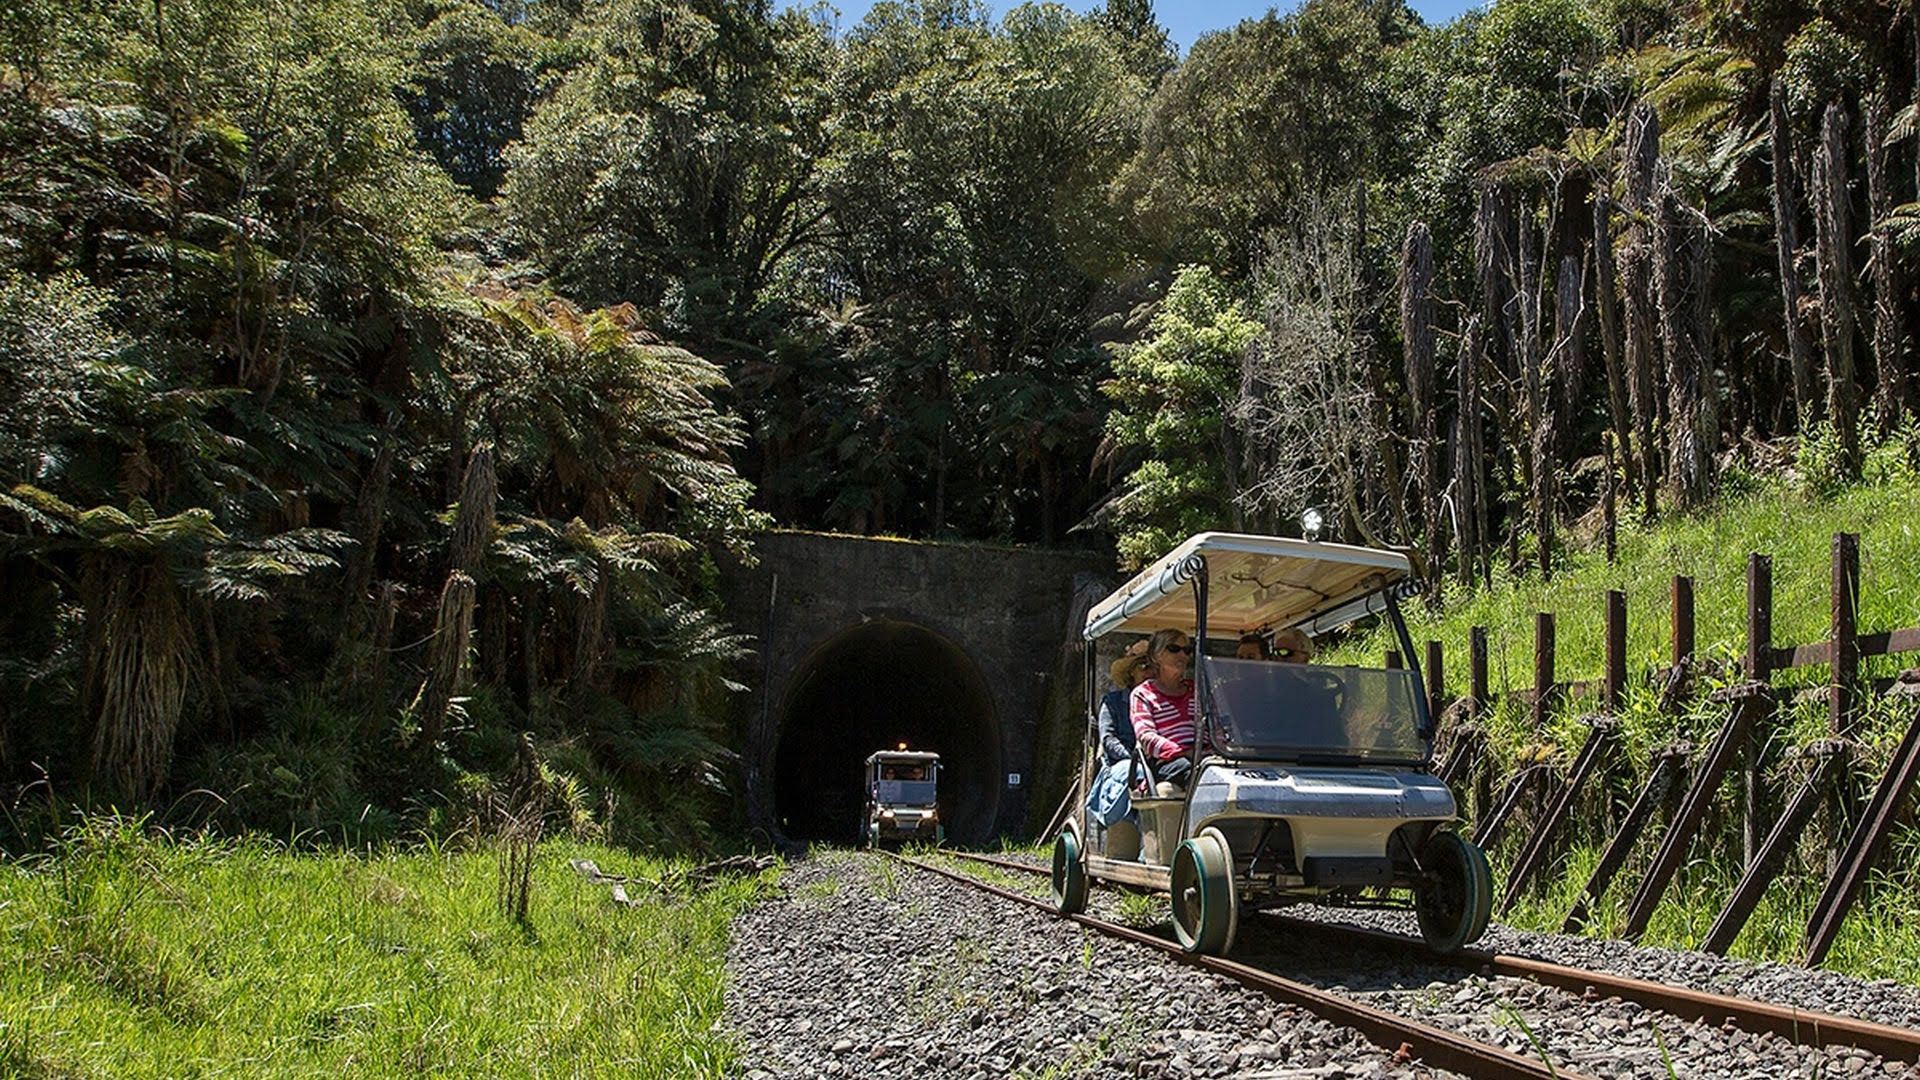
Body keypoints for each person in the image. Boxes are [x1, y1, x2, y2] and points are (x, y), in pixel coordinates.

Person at [1131, 628, 1197, 789]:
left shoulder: (1198, 690)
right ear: (1156, 655)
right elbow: (1147, 737)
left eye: (1187, 650)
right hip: (1169, 762)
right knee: (1194, 772)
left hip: (1205, 758)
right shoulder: (1142, 694)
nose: (1182, 655)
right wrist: (1183, 751)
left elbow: (1217, 727)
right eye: (1174, 649)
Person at [1098, 640, 1150, 765]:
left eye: (1154, 667)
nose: (1150, 673)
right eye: (1144, 667)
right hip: (1121, 764)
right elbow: (1108, 739)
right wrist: (1132, 759)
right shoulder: (1113, 702)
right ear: (1131, 672)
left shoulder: (1162, 702)